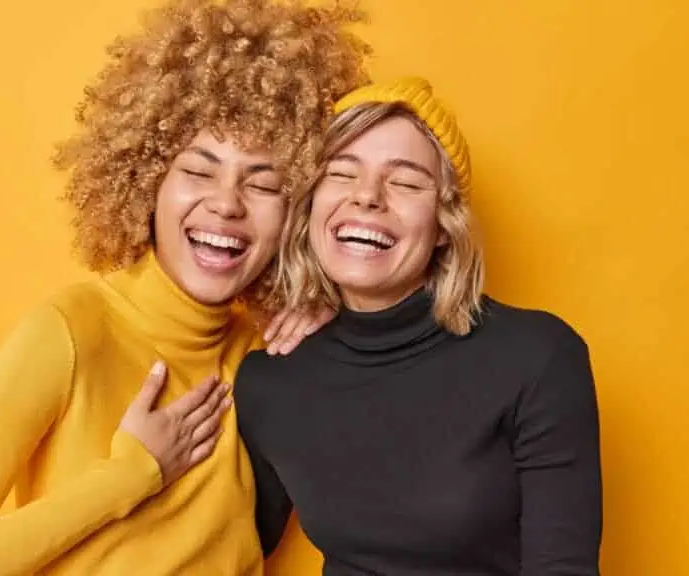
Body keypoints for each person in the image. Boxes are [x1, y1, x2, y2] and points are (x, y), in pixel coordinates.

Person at [0, 1, 370, 574]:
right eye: (199, 171)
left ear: (296, 213)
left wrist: (336, 332)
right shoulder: (70, 333)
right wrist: (130, 476)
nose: (228, 203)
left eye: (263, 184)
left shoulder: (266, 357)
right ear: (147, 180)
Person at [235, 77, 603, 575]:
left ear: (444, 227)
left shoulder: (536, 356)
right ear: (309, 210)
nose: (368, 197)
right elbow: (225, 548)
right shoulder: (270, 379)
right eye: (341, 174)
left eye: (406, 182)